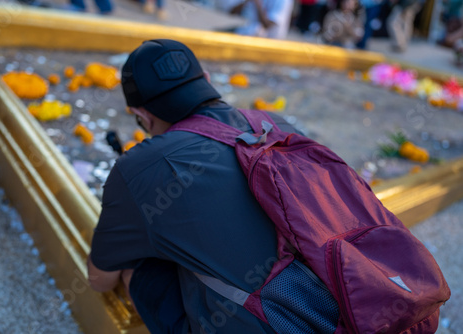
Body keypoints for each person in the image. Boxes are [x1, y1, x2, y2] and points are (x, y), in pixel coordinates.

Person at [87, 39, 339, 333]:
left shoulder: (138, 168)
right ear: (206, 80)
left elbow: (99, 280)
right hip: (350, 304)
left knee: (141, 269)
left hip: (269, 319)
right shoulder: (277, 124)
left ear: (141, 116)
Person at [230, 0, 294, 39]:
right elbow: (232, 12)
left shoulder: (284, 1)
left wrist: (258, 4)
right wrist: (245, 2)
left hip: (267, 42)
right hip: (247, 33)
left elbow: (267, 25)